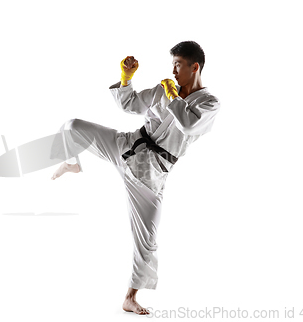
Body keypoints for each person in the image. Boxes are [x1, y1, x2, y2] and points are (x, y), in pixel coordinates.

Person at [49, 41, 221, 315]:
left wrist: (173, 97)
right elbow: (130, 105)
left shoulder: (209, 103)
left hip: (150, 175)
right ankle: (73, 163)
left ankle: (130, 297)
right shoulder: (165, 89)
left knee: (147, 239)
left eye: (178, 64)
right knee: (72, 127)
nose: (174, 70)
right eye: (173, 64)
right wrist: (126, 79)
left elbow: (188, 124)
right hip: (127, 146)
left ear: (194, 66)